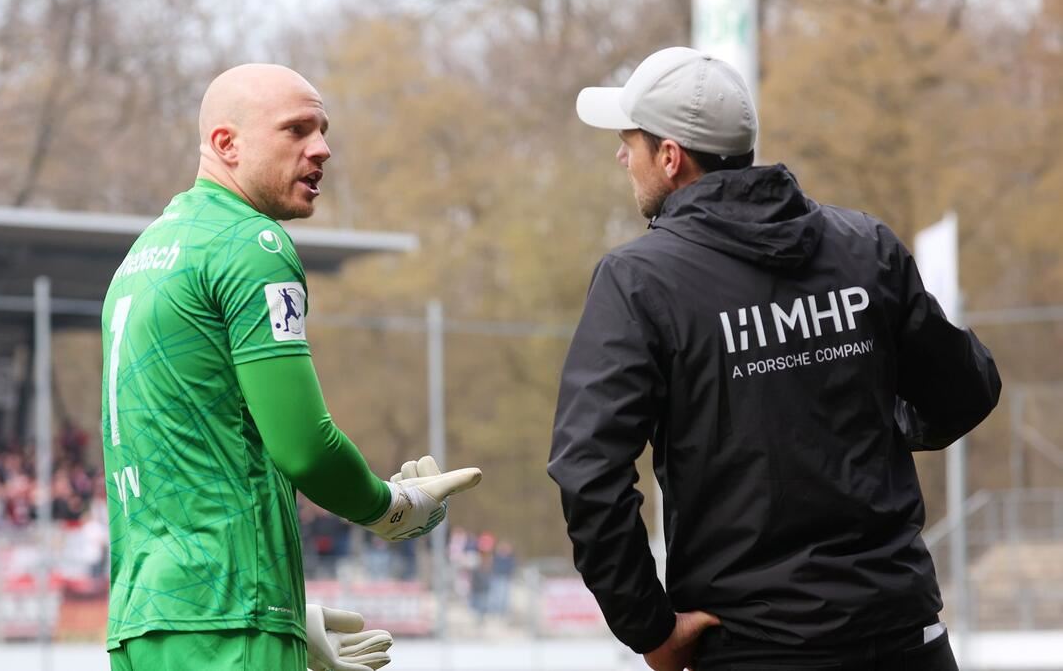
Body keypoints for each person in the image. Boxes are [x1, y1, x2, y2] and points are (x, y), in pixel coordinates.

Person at [548, 47, 1000, 671]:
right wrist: (877, 427)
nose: (622, 155)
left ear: (672, 157)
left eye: (631, 141)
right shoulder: (863, 247)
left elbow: (587, 472)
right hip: (904, 638)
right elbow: (966, 390)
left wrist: (649, 627)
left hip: (751, 648)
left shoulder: (639, 282)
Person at [101, 63, 481, 671]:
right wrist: (392, 509)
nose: (323, 148)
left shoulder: (145, 255)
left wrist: (289, 612)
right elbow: (304, 446)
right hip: (229, 618)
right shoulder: (251, 245)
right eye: (297, 129)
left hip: (148, 620)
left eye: (323, 129)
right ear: (227, 144)